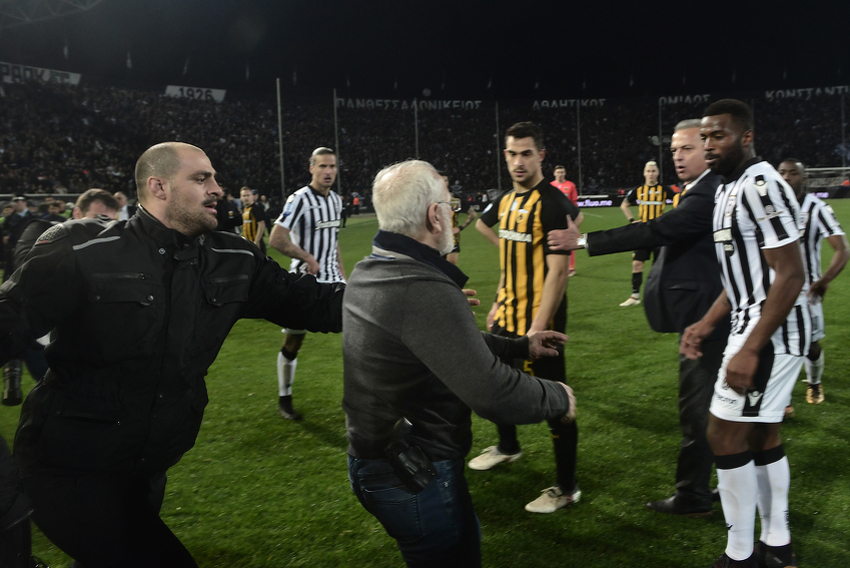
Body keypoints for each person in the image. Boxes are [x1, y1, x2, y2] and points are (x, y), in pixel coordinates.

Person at [0, 142, 344, 567]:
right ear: (158, 187)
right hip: (69, 466)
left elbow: (316, 304)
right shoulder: (84, 250)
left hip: (146, 467)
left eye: (215, 178)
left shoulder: (232, 257)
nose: (217, 189)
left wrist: (402, 293)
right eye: (201, 179)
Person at [344, 159, 575, 567]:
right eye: (448, 207)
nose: (452, 216)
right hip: (416, 471)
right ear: (435, 216)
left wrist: (519, 347)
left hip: (380, 458)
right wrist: (558, 396)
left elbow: (443, 343)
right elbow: (492, 393)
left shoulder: (371, 269)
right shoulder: (423, 286)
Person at [550, 119, 727, 517]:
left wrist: (581, 240)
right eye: (674, 150)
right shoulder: (699, 190)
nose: (678, 157)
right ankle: (721, 486)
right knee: (715, 408)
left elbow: (658, 229)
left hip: (708, 319)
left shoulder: (708, 192)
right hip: (707, 315)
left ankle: (694, 495)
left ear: (709, 149)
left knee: (698, 410)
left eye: (688, 149)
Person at [681, 100, 808, 568]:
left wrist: (750, 348)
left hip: (769, 333)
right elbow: (744, 278)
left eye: (720, 136)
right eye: (706, 137)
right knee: (761, 437)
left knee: (723, 435)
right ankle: (778, 547)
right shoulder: (727, 188)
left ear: (747, 137)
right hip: (751, 325)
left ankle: (741, 555)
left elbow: (790, 274)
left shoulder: (760, 183)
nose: (709, 145)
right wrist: (707, 322)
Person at [472, 122, 582, 514]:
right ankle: (507, 446)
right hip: (507, 314)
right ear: (505, 155)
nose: (519, 162)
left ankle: (567, 488)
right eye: (512, 154)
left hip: (539, 321)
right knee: (494, 385)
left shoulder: (550, 202)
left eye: (526, 153)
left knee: (556, 402)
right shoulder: (504, 202)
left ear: (540, 156)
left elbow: (557, 272)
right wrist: (499, 301)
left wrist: (540, 325)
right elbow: (509, 258)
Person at [269, 147, 346, 420]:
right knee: (294, 341)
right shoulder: (299, 199)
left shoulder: (336, 200)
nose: (328, 172)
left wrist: (342, 274)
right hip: (305, 284)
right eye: (323, 166)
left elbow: (334, 241)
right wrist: (306, 257)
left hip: (334, 283)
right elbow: (276, 239)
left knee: (358, 335)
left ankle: (361, 399)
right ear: (311, 167)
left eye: (332, 167)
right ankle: (285, 399)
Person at [776, 159, 848, 410]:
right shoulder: (769, 208)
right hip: (773, 290)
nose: (786, 177)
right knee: (775, 344)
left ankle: (814, 382)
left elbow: (841, 248)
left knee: (810, 345)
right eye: (782, 173)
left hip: (807, 292)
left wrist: (825, 280)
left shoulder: (817, 208)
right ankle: (781, 399)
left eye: (793, 173)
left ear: (804, 179)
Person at [618, 161, 675, 306]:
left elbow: (679, 202)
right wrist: (632, 220)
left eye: (653, 171)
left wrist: (670, 219)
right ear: (644, 173)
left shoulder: (664, 189)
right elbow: (624, 205)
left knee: (658, 267)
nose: (650, 174)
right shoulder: (638, 190)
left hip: (658, 232)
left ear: (658, 173)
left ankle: (658, 295)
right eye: (648, 171)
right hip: (642, 232)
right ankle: (635, 296)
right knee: (637, 263)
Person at [441, 175, 477, 266]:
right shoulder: (431, 200)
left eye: (445, 180)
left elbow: (472, 214)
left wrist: (460, 228)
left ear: (448, 182)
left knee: (450, 269)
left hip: (452, 239)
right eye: (440, 179)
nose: (443, 182)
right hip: (435, 240)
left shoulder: (454, 200)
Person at [551, 165, 579, 276]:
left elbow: (574, 203)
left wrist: (574, 217)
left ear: (565, 173)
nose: (560, 174)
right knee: (553, 240)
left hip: (568, 218)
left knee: (570, 241)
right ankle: (555, 265)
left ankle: (571, 267)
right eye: (558, 172)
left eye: (562, 172)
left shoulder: (571, 185)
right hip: (554, 218)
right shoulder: (550, 186)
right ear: (554, 173)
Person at [239, 187, 268, 254]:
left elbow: (262, 224)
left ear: (252, 196)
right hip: (247, 243)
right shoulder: (244, 209)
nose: (246, 198)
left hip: (255, 244)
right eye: (244, 196)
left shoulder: (256, 209)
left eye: (248, 195)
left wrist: (257, 241)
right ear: (241, 197)